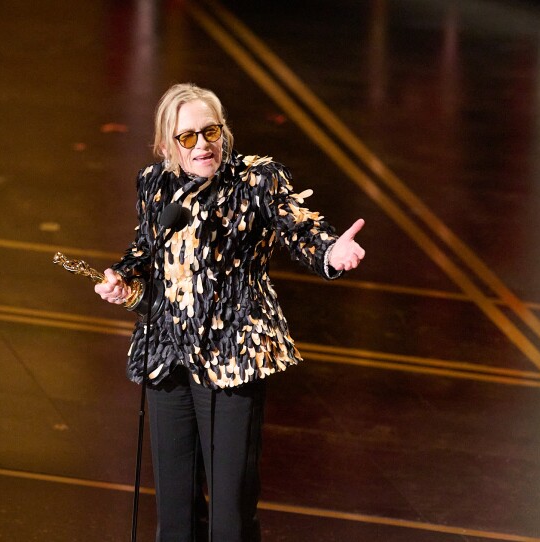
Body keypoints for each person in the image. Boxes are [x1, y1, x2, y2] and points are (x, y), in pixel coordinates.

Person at [94, 82, 365, 542]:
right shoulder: (153, 184)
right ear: (166, 145)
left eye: (211, 131)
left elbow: (297, 226)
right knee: (175, 511)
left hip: (232, 357)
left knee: (229, 515)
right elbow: (146, 250)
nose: (202, 145)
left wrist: (328, 253)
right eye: (187, 137)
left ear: (224, 133)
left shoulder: (256, 180)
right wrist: (121, 279)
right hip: (166, 356)